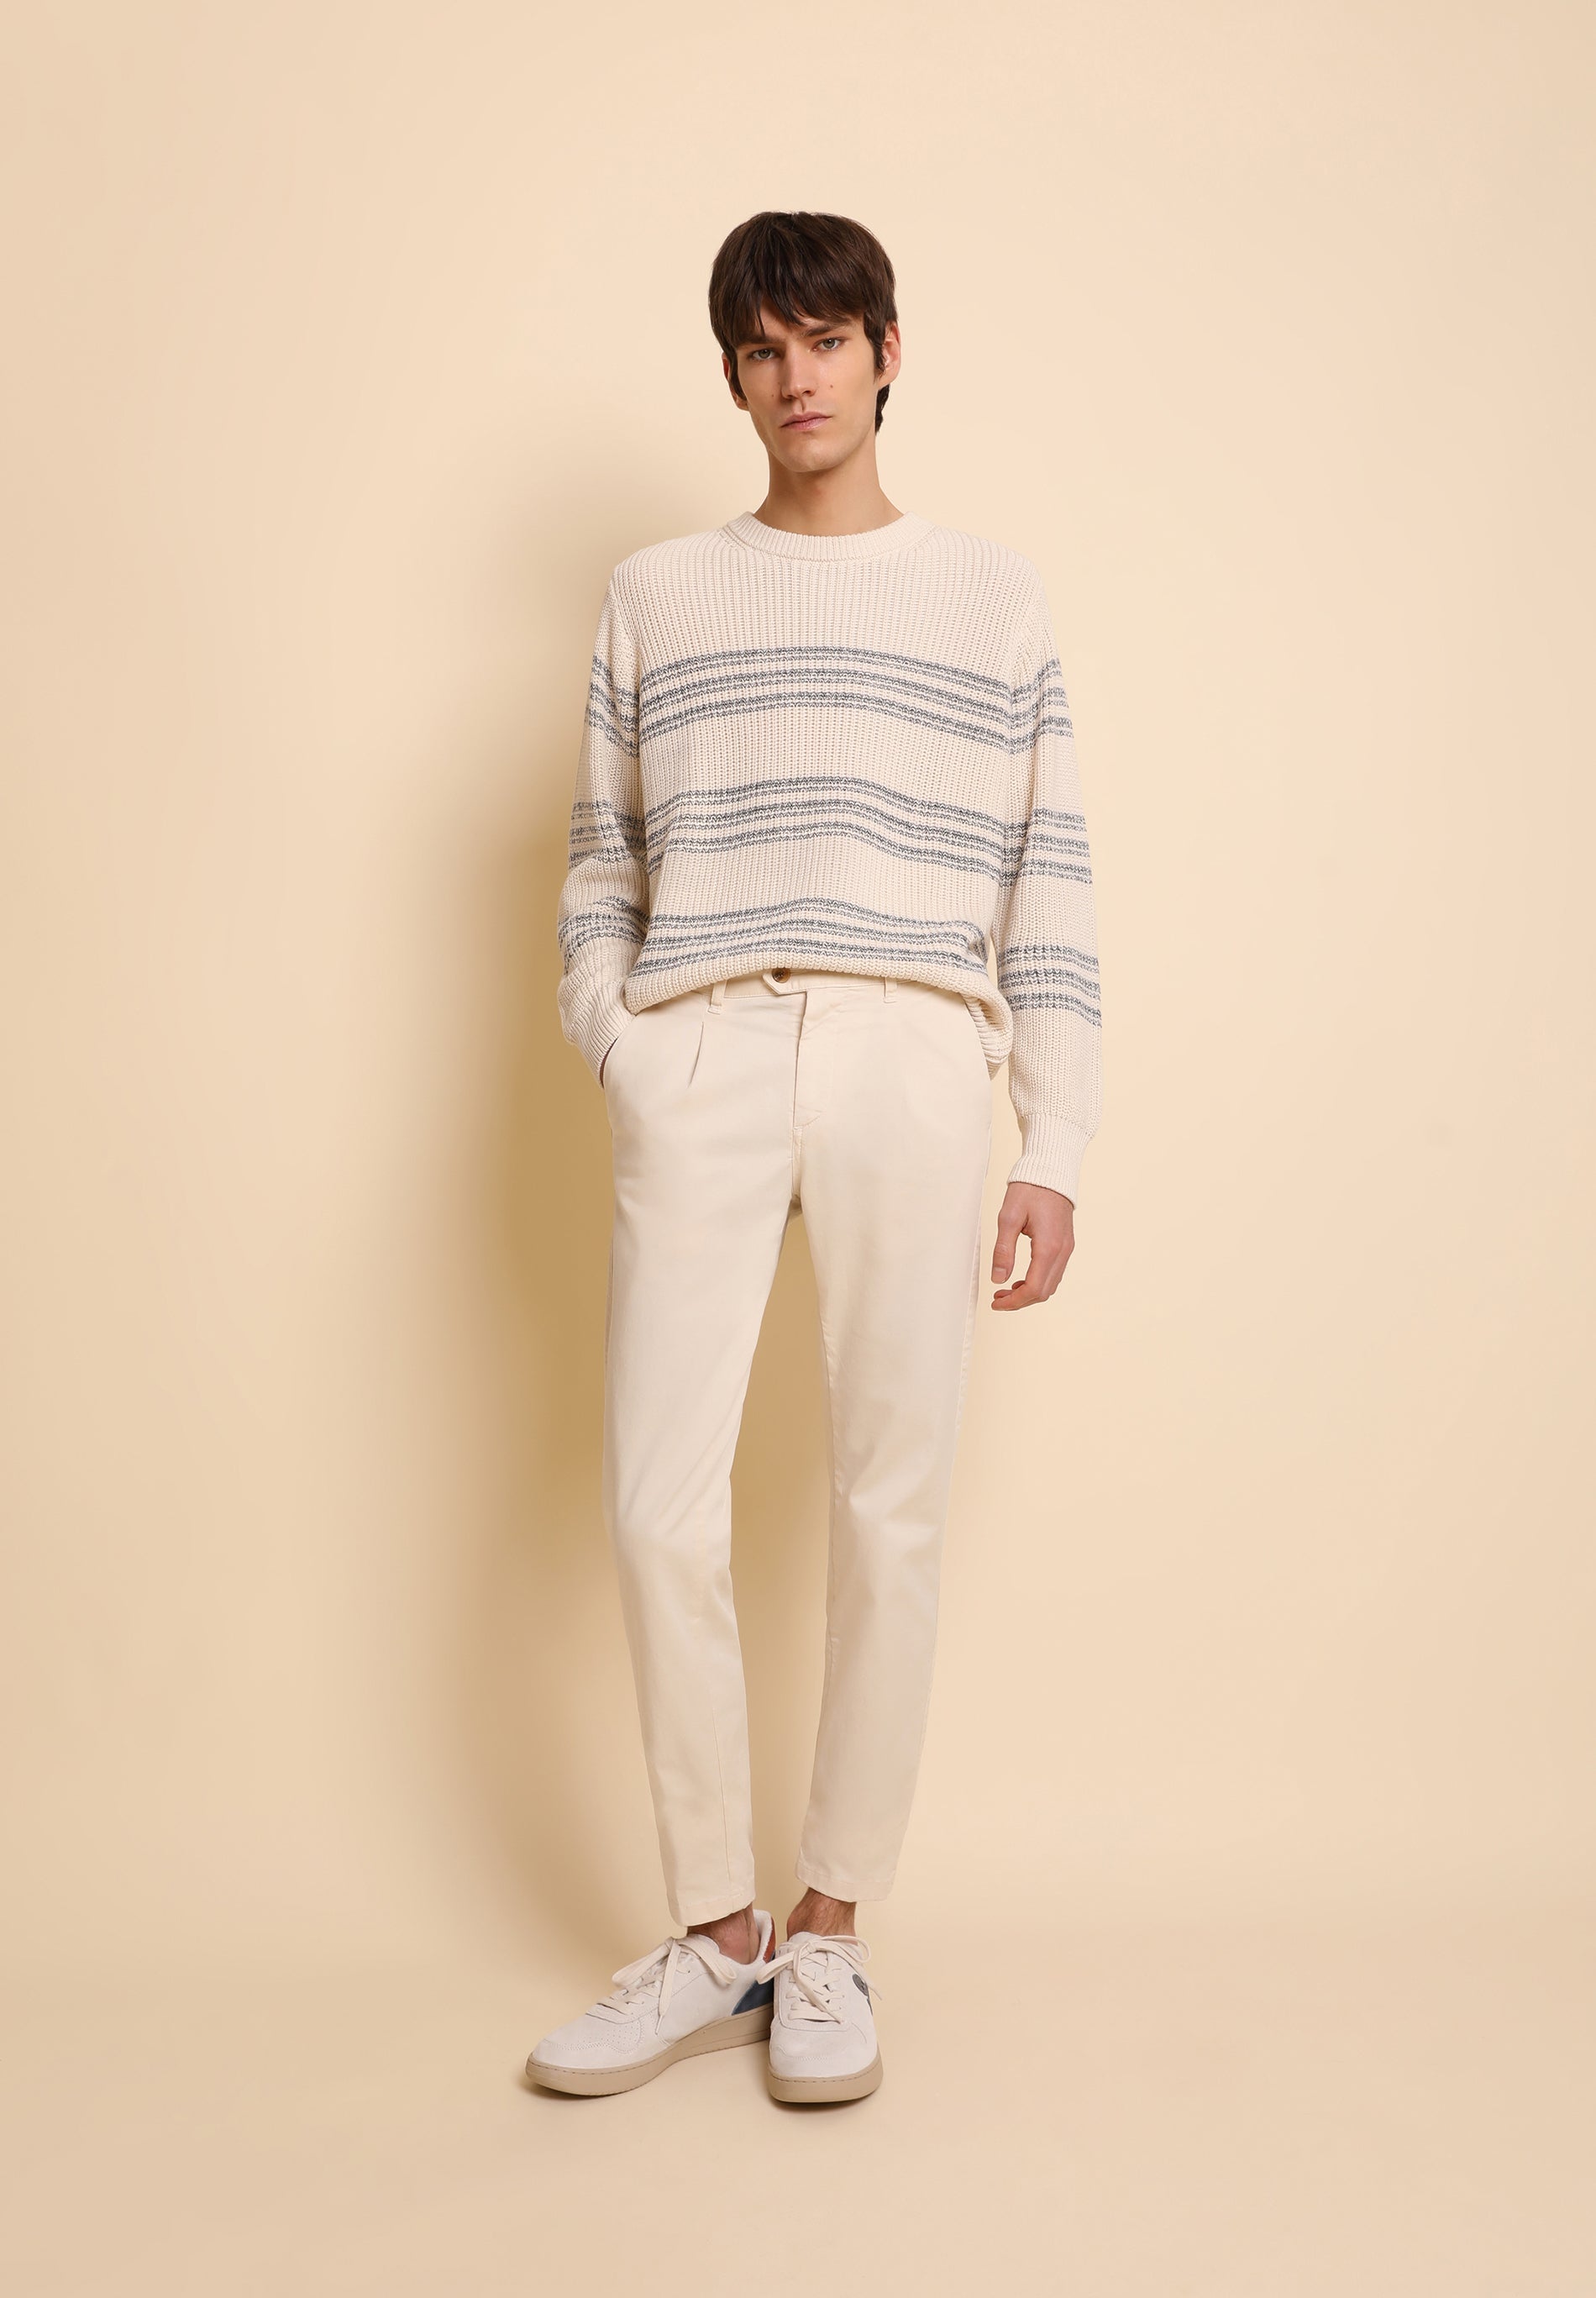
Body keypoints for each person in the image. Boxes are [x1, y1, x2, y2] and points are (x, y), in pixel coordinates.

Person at [527, 210, 1101, 2104]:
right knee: (655, 1503)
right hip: (699, 1042)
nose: (799, 377)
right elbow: (600, 855)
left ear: (886, 352)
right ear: (732, 376)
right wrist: (620, 1037)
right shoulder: (656, 593)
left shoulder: (990, 598)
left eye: (827, 338)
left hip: (908, 1051)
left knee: (888, 1504)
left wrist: (1054, 1137)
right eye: (764, 348)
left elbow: (1048, 880)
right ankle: (718, 1939)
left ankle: (832, 1930)